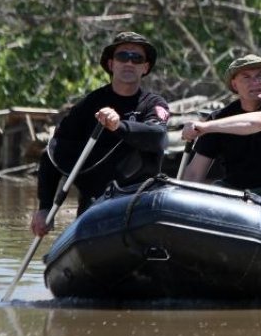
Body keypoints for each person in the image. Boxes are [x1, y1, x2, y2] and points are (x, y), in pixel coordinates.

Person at [30, 31, 170, 236]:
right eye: (123, 56)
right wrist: (44, 207)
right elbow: (52, 154)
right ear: (111, 64)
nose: (129, 63)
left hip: (140, 200)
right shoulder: (88, 106)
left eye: (137, 58)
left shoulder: (154, 104)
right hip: (96, 204)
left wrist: (118, 126)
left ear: (145, 67)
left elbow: (157, 136)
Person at [181, 53, 261, 204]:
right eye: (246, 77)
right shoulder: (218, 119)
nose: (255, 82)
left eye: (259, 76)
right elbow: (194, 173)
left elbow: (259, 122)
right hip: (232, 190)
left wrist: (205, 127)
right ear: (234, 85)